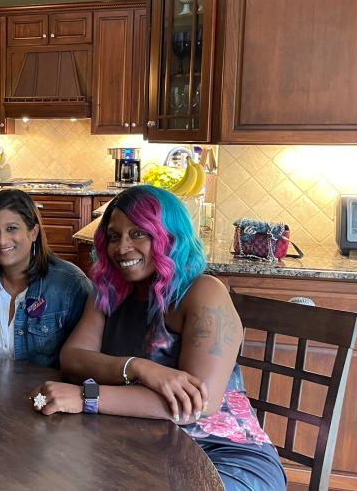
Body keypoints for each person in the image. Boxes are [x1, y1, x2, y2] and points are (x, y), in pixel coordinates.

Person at [30, 185, 286, 491]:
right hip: (140, 443)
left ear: (169, 236)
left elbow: (197, 405)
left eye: (138, 233)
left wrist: (88, 397)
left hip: (220, 456)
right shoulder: (109, 291)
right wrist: (139, 368)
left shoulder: (204, 292)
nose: (122, 247)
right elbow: (73, 357)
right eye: (114, 236)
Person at [0, 189, 90, 367]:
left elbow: (86, 362)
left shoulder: (70, 285)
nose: (2, 241)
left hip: (42, 394)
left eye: (11, 229)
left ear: (34, 232)